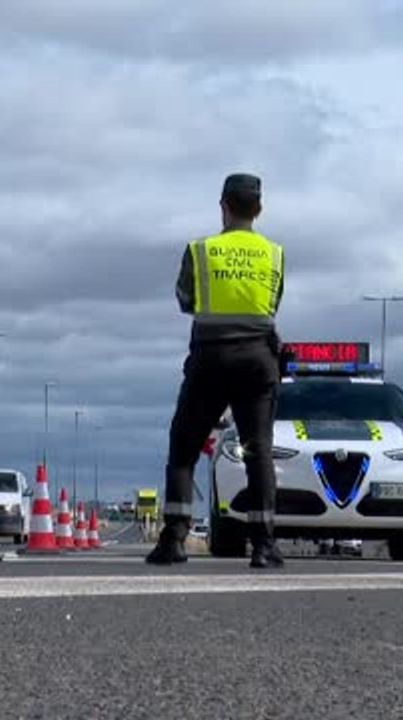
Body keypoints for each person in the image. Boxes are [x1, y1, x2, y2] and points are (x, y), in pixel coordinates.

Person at [147, 172, 286, 569]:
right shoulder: (274, 253)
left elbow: (185, 300)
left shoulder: (200, 250)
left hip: (210, 355)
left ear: (224, 206)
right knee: (258, 451)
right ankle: (263, 546)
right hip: (258, 356)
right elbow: (273, 302)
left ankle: (173, 539)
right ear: (258, 209)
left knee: (184, 448)